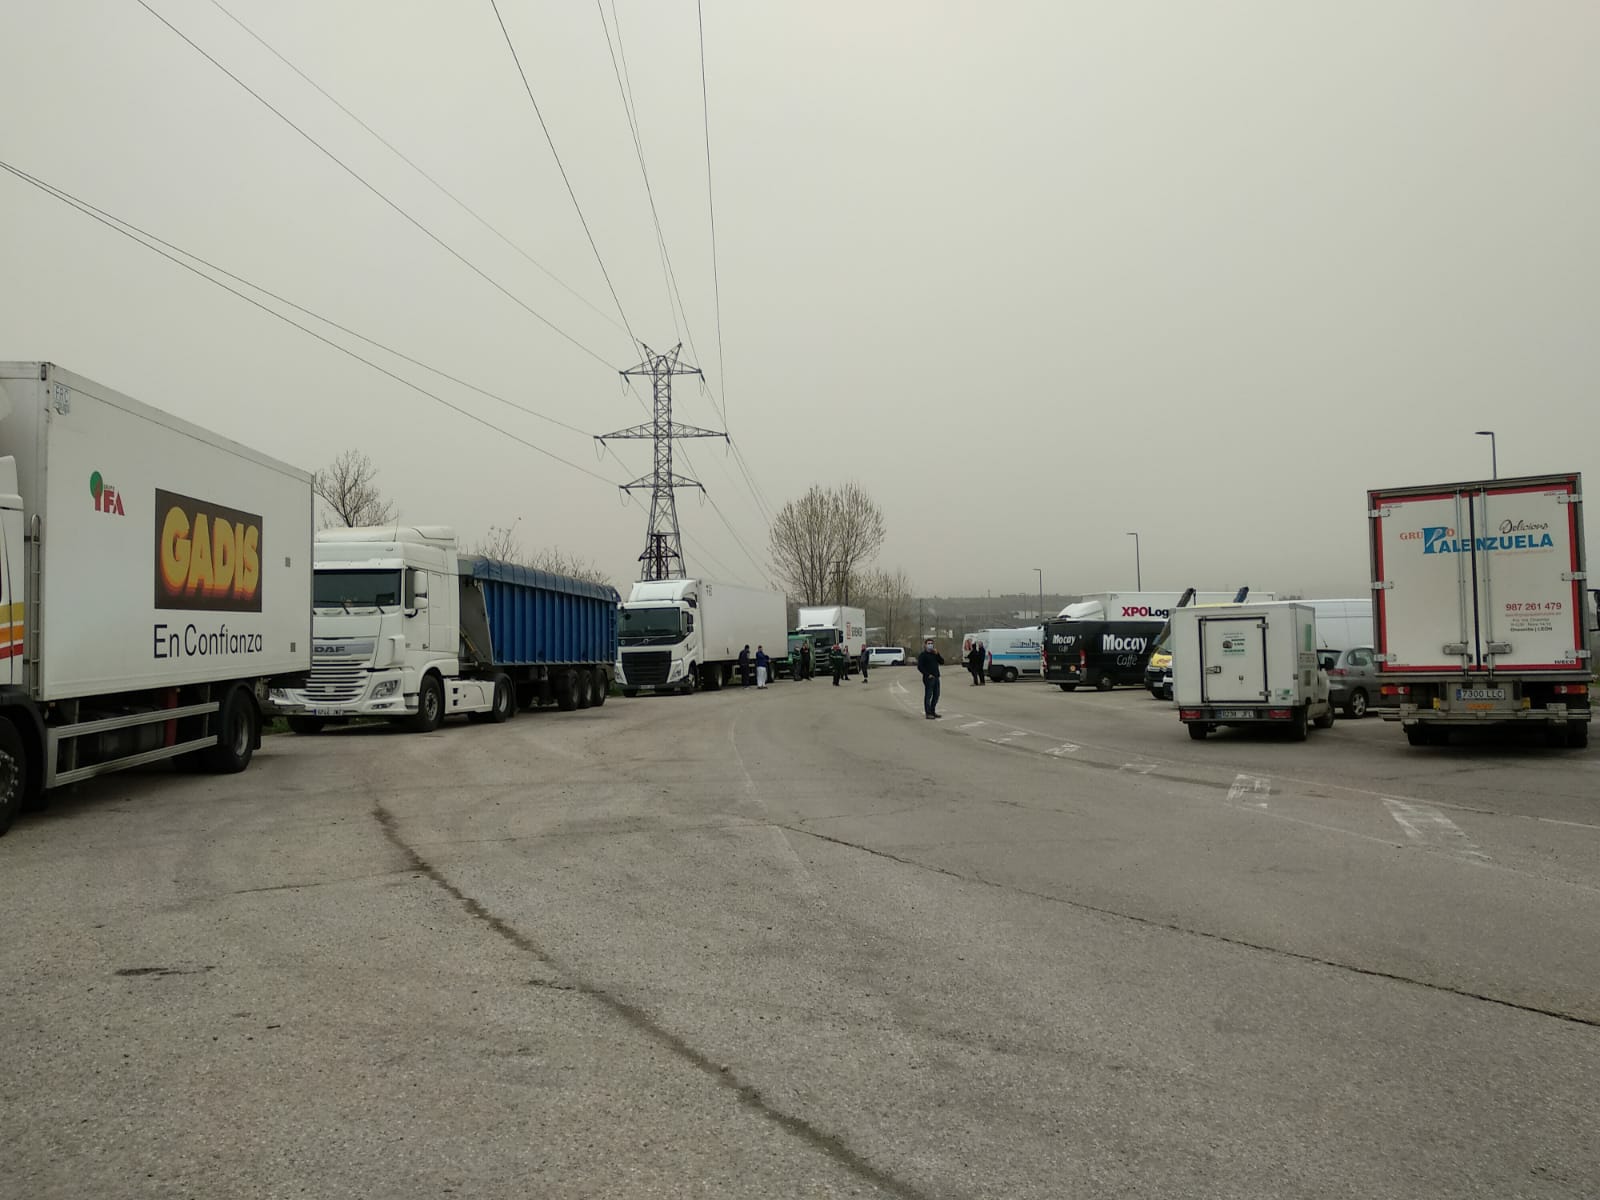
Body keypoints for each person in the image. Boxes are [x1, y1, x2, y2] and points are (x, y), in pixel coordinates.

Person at [917, 639, 944, 719]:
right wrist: (927, 674)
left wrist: (937, 654)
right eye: (928, 643)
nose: (930, 645)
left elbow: (942, 662)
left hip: (936, 677)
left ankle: (933, 711)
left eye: (931, 643)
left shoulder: (934, 654)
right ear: (925, 645)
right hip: (928, 678)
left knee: (936, 695)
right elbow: (920, 667)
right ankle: (928, 713)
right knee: (928, 695)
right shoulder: (923, 655)